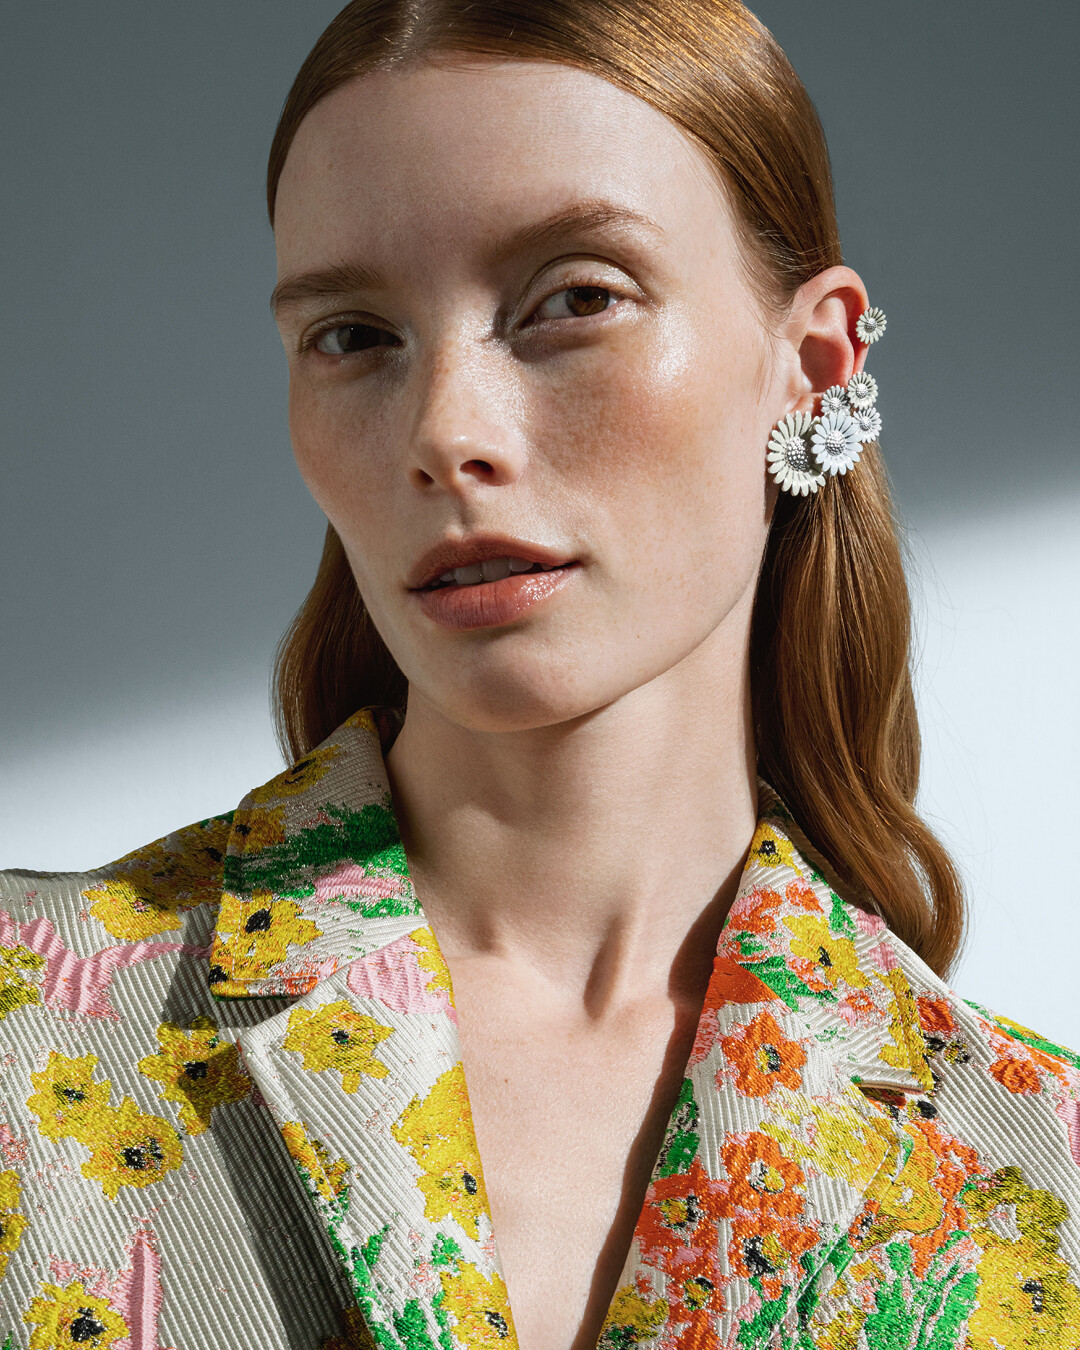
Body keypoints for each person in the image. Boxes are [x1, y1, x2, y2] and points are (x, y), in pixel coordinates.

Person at [2, 2, 1079, 1348]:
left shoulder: (1043, 1181)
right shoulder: (26, 1029)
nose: (445, 432)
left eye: (577, 299)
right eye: (354, 335)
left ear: (813, 364)